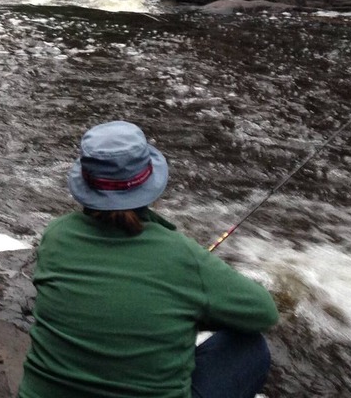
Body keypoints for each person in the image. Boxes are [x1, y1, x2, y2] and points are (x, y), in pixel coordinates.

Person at [19, 121, 279, 398]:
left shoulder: (55, 236)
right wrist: (189, 312)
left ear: (85, 182)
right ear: (150, 182)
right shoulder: (181, 254)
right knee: (251, 348)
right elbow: (264, 313)